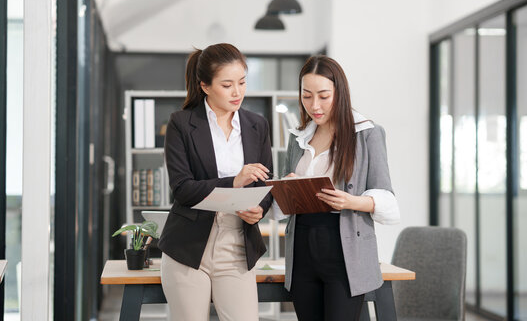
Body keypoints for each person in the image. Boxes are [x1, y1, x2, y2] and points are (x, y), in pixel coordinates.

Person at [273, 55, 400, 320]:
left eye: (323, 96)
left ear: (339, 93)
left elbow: (387, 199)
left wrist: (350, 201)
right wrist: (288, 188)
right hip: (302, 250)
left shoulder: (367, 133)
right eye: (306, 96)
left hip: (345, 250)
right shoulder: (299, 138)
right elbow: (284, 206)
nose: (314, 105)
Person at [158, 43, 273, 321]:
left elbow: (265, 185)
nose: (238, 92)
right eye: (227, 84)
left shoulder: (257, 125)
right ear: (205, 86)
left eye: (242, 82)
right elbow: (183, 189)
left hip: (237, 244)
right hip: (188, 248)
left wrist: (259, 210)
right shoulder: (181, 124)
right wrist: (234, 181)